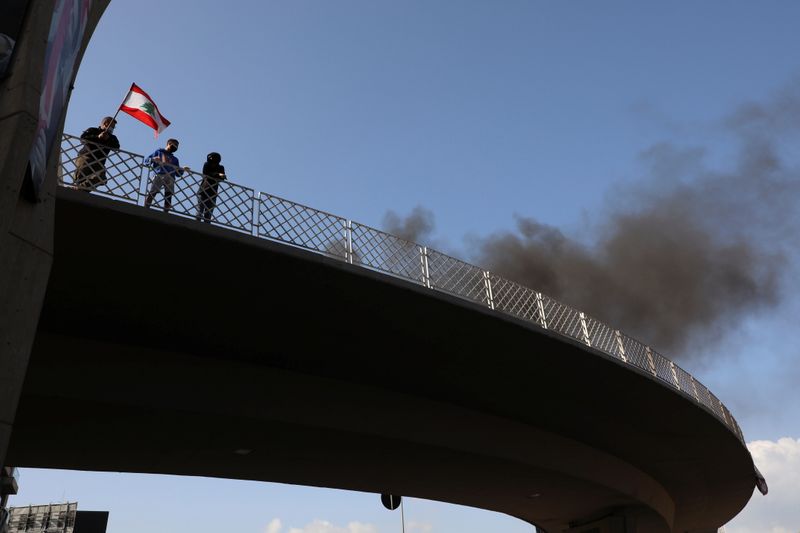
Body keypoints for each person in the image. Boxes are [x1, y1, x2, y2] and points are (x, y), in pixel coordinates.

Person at [73, 116, 120, 191]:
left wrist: (107, 139)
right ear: (105, 123)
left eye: (113, 127)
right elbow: (83, 139)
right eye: (111, 126)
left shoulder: (112, 137)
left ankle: (79, 189)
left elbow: (116, 147)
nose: (112, 129)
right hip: (86, 157)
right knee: (80, 177)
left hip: (99, 162)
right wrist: (98, 137)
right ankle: (79, 189)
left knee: (101, 178)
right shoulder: (92, 130)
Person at [144, 138, 187, 212]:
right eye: (174, 144)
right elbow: (147, 161)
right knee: (153, 192)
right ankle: (146, 208)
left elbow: (178, 173)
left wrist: (182, 170)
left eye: (177, 146)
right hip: (160, 174)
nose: (176, 147)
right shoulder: (159, 152)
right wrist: (153, 159)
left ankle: (166, 211)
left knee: (169, 195)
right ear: (169, 144)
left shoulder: (175, 159)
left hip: (170, 176)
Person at [196, 152, 226, 223]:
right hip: (203, 190)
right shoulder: (207, 164)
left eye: (212, 157)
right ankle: (197, 223)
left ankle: (206, 225)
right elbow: (205, 173)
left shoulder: (220, 167)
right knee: (200, 210)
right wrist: (217, 174)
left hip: (213, 192)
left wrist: (221, 176)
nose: (210, 158)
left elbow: (222, 178)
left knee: (208, 213)